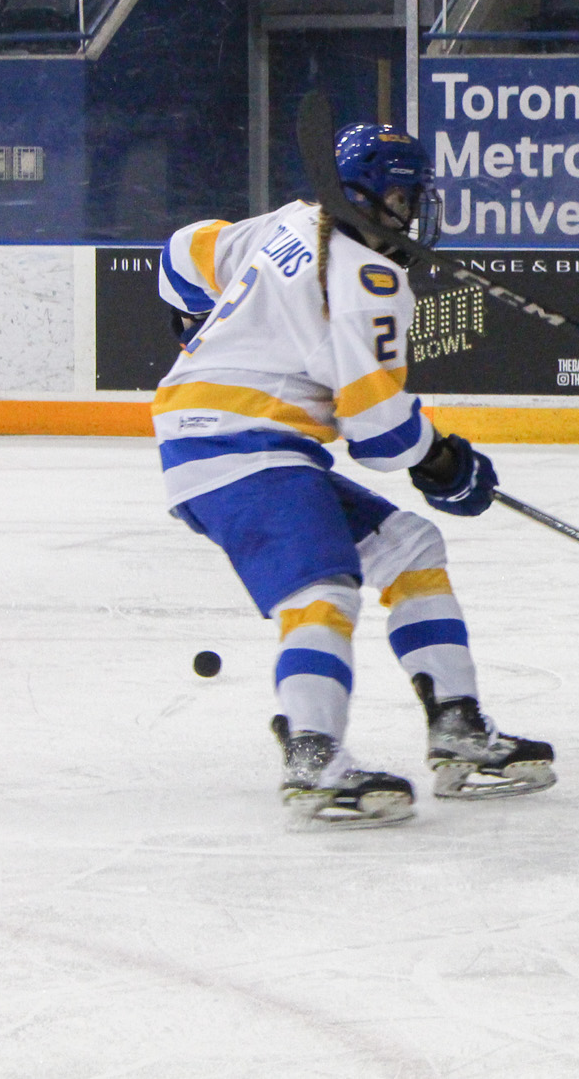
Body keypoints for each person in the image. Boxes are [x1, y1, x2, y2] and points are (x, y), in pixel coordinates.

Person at [152, 123, 554, 828]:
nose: (413, 212)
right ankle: (314, 755)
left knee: (410, 545)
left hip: (234, 444)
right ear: (367, 195)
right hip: (243, 446)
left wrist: (195, 327)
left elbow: (181, 252)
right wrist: (447, 463)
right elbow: (378, 430)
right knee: (323, 585)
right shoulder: (370, 277)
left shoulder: (287, 222)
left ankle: (457, 725)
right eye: (404, 195)